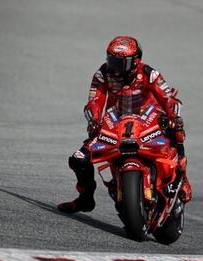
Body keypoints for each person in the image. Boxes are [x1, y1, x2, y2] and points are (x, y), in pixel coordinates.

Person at [58, 36, 192, 213]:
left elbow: (168, 98)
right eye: (111, 60)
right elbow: (94, 101)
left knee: (177, 133)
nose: (114, 67)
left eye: (120, 63)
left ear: (135, 61)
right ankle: (85, 198)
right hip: (115, 125)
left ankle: (182, 179)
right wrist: (95, 120)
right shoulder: (103, 74)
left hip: (149, 123)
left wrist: (174, 116)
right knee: (78, 159)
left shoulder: (149, 73)